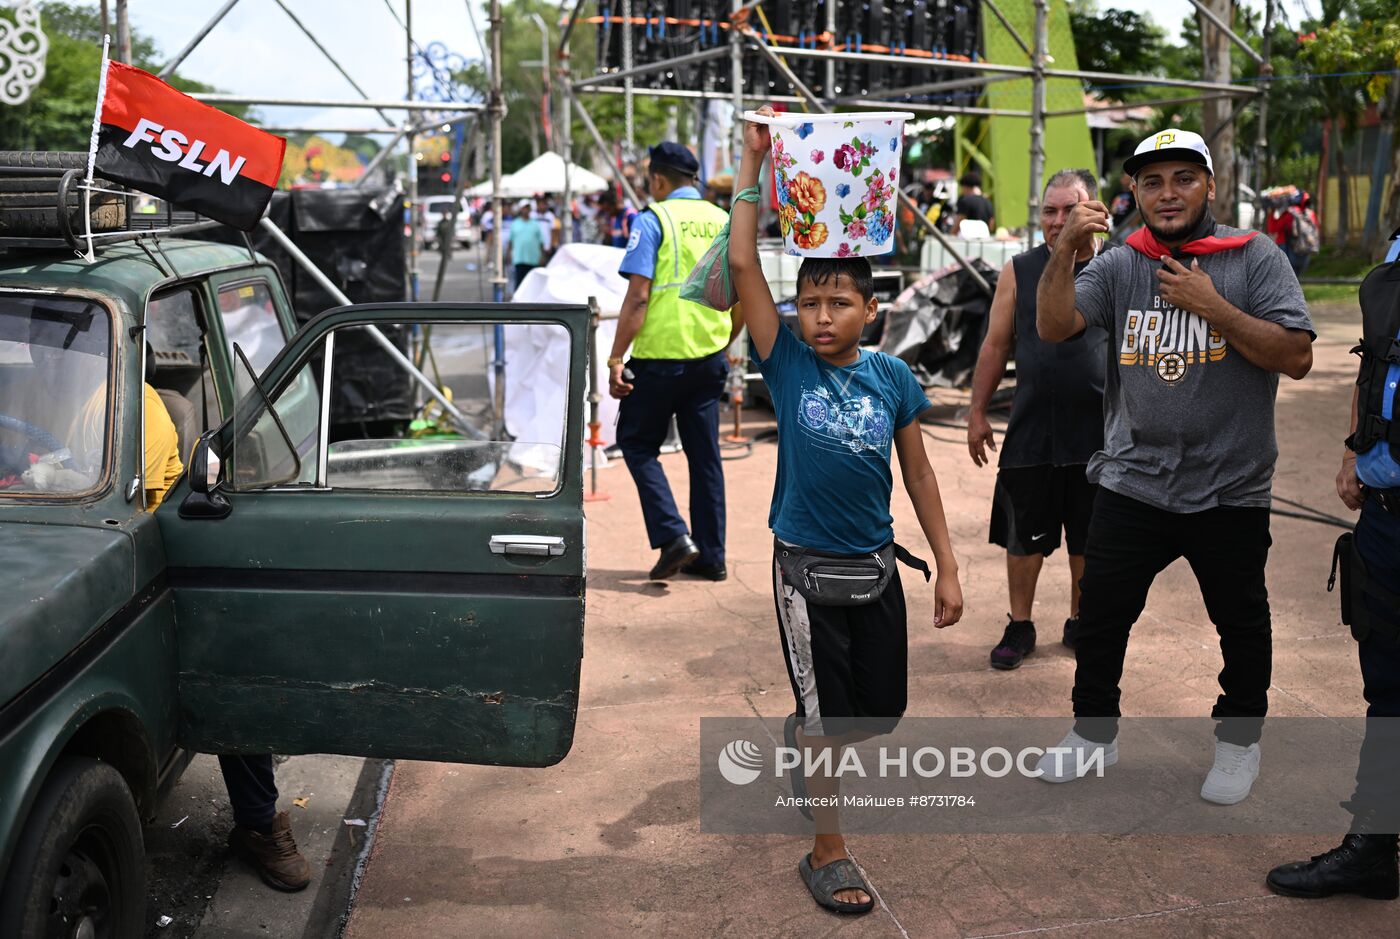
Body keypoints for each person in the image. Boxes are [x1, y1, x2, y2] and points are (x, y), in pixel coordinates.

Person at [1033, 128, 1314, 804]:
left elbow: (1297, 355)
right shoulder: (1126, 261)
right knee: (1100, 615)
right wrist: (1065, 251)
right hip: (1135, 478)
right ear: (1133, 191)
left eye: (1183, 178)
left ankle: (1238, 743)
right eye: (1151, 181)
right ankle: (1093, 732)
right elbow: (1053, 325)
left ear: (1210, 185)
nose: (1167, 194)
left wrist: (1214, 307)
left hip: (1230, 485)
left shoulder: (1254, 256)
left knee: (1241, 622)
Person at [729, 107, 964, 916]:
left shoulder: (895, 379)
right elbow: (742, 263)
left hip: (876, 565)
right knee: (826, 720)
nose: (819, 315)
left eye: (836, 302)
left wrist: (949, 563)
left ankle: (808, 742)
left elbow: (923, 476)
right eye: (808, 302)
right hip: (802, 570)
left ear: (872, 311)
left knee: (882, 711)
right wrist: (753, 166)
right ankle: (827, 849)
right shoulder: (786, 362)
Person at [1266, 236, 1400, 900]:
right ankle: (1374, 846)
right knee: (1389, 684)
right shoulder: (1399, 249)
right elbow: (1374, 361)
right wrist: (1357, 450)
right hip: (1385, 513)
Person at [966, 168, 1107, 669]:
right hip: (1031, 428)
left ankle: (1079, 620)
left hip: (1099, 435)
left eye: (1070, 210)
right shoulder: (1020, 270)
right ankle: (1020, 625)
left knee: (1090, 538)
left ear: (1097, 211)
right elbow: (996, 344)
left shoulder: (1116, 268)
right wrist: (977, 411)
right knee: (1022, 536)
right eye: (1050, 211)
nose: (1058, 220)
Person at [606, 142, 737, 581]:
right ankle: (712, 558)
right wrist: (722, 341)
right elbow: (741, 294)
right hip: (708, 358)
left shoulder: (653, 219)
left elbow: (639, 295)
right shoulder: (723, 220)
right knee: (705, 458)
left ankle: (673, 535)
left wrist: (615, 356)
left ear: (658, 179)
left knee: (637, 443)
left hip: (660, 360)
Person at [508, 199, 545, 294]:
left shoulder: (535, 224)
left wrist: (542, 256)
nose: (526, 210)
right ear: (520, 209)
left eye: (528, 208)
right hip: (519, 259)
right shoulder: (515, 224)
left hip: (533, 260)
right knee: (519, 285)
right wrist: (508, 254)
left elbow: (541, 242)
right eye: (524, 208)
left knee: (532, 286)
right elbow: (510, 241)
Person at [1283, 191, 1321, 278]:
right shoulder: (1310, 213)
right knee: (1299, 273)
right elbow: (1316, 227)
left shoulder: (1290, 213)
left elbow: (1284, 228)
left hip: (1293, 246)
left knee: (1292, 273)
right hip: (1307, 246)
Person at [952, 170, 995, 235]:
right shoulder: (988, 202)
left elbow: (958, 223)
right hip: (984, 241)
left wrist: (951, 234)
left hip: (968, 241)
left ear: (965, 187)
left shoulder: (965, 201)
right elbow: (991, 225)